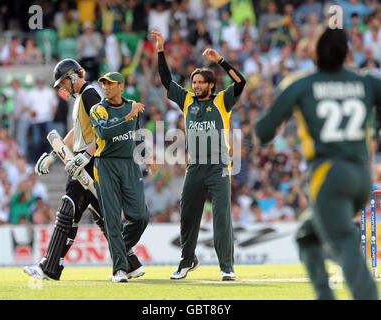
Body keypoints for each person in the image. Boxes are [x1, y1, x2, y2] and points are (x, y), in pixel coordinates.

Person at [255, 27, 380, 300]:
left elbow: (264, 131)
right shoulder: (367, 82)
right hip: (361, 175)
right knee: (306, 235)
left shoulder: (302, 84)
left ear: (314, 53)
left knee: (343, 241)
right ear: (347, 54)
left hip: (328, 175)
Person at [23, 59, 144, 281]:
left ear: (74, 76)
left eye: (64, 83)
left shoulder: (89, 94)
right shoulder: (82, 98)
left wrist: (86, 155)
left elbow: (101, 131)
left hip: (89, 162)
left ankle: (49, 267)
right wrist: (53, 155)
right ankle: (130, 263)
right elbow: (77, 132)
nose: (63, 88)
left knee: (68, 210)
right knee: (103, 215)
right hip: (84, 160)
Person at [151, 29, 246, 281]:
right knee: (187, 216)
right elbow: (165, 80)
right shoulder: (187, 100)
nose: (196, 86)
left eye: (201, 83)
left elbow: (241, 83)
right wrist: (161, 50)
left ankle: (226, 266)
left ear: (211, 85)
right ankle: (187, 261)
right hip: (194, 167)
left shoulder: (222, 101)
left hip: (218, 166)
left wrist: (221, 61)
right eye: (194, 82)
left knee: (221, 217)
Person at [90, 71, 150, 283]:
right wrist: (128, 116)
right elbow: (105, 133)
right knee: (113, 218)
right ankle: (120, 270)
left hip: (129, 164)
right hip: (106, 164)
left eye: (110, 84)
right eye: (104, 84)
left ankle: (119, 251)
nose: (106, 88)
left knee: (141, 216)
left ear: (121, 86)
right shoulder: (98, 109)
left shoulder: (131, 106)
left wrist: (145, 155)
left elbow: (135, 133)